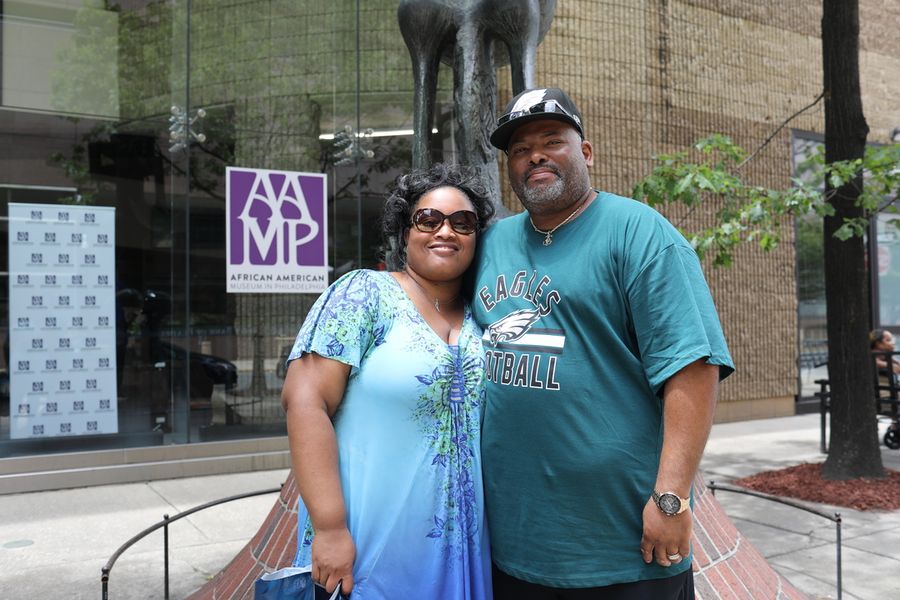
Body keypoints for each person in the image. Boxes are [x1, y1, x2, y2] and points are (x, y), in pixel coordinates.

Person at [470, 87, 735, 599]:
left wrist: (671, 498)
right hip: (516, 545)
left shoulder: (638, 232)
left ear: (586, 153)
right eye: (520, 150)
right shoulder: (492, 243)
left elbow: (693, 367)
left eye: (552, 140)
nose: (536, 156)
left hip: (623, 548)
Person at [281, 163, 495, 599]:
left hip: (463, 551)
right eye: (428, 219)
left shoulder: (482, 316)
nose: (445, 232)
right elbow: (305, 403)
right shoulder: (363, 294)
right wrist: (330, 527)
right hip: (366, 543)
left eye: (463, 222)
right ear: (404, 230)